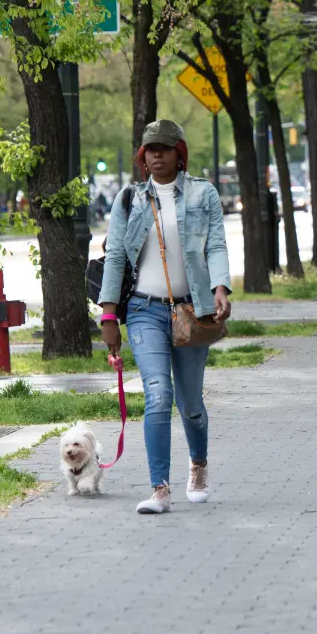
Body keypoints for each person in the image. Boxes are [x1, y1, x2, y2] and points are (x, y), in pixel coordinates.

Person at [98, 119, 232, 515]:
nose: (156, 155)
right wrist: (108, 314)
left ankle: (199, 464)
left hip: (192, 311)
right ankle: (159, 489)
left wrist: (220, 287)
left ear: (179, 153)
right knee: (158, 396)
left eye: (164, 148)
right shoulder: (129, 199)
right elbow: (117, 257)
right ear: (143, 156)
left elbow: (217, 245)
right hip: (143, 310)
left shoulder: (202, 193)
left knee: (191, 404)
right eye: (149, 149)